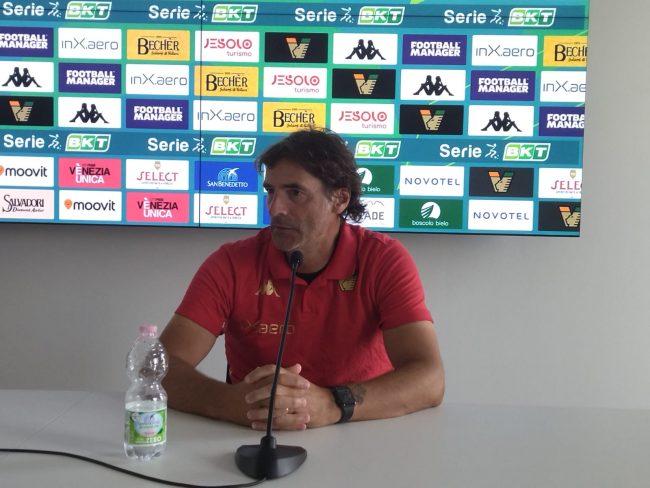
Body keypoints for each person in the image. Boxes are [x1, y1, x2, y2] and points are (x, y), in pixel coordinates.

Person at [159, 129, 444, 431]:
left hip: (360, 429)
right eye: (271, 191)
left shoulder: (384, 259)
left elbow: (430, 379)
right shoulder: (231, 263)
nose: (275, 208)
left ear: (340, 199)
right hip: (255, 433)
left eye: (295, 193)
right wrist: (227, 402)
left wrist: (333, 404)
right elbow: (158, 367)